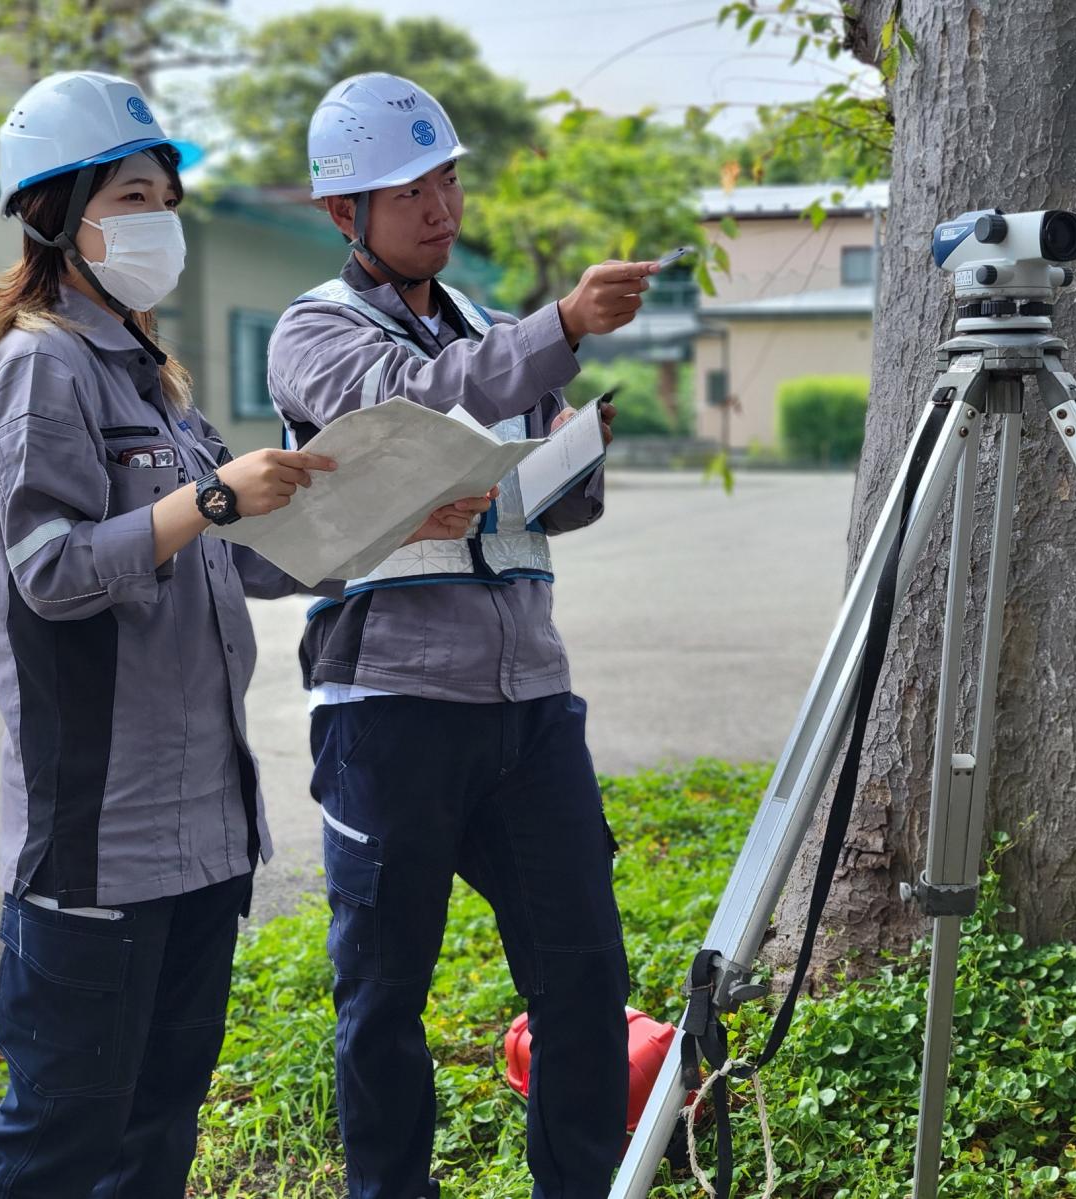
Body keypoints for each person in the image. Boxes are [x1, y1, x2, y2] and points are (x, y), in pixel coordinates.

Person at [0, 70, 488, 1196]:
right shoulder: (39, 365)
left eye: (165, 198)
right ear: (57, 214)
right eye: (134, 195)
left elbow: (246, 558)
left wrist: (396, 518)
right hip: (98, 838)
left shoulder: (151, 379)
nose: (159, 220)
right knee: (56, 1145)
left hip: (201, 838)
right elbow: (47, 571)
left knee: (156, 1133)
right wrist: (206, 498)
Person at [267, 71, 663, 1199]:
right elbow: (415, 404)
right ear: (344, 213)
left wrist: (572, 451)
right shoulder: (315, 331)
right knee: (383, 995)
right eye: (408, 189)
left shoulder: (489, 327)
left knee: (584, 975)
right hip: (390, 703)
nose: (439, 206)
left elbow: (546, 499)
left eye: (444, 178)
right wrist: (564, 328)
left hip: (529, 701)